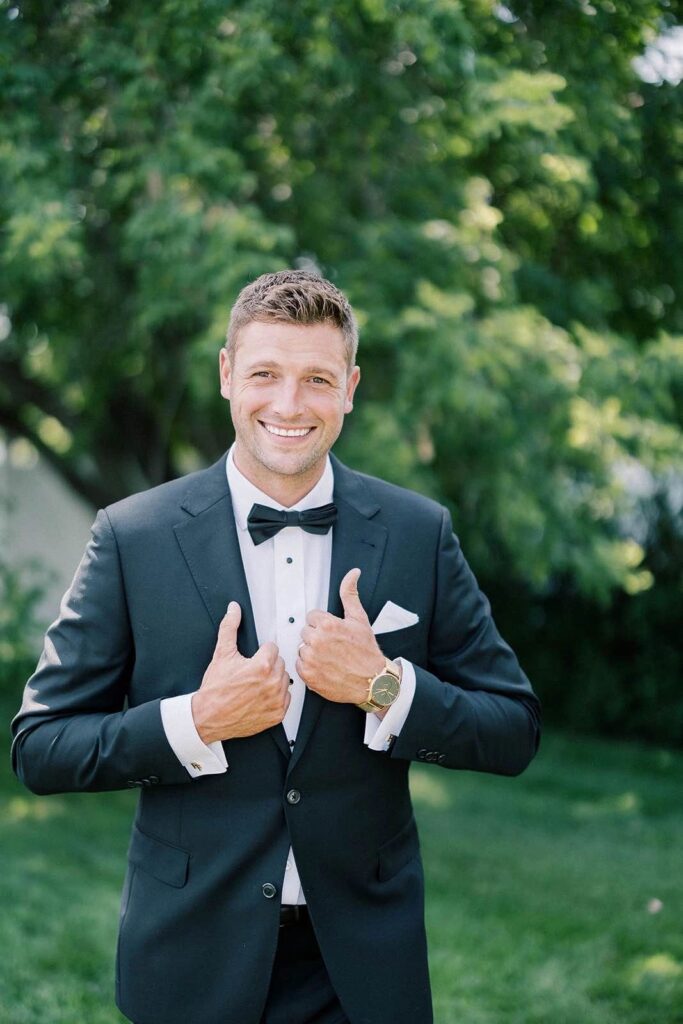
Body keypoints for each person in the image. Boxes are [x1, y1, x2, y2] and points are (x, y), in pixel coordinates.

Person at [12, 270, 541, 1024]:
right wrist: (195, 721)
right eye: (265, 373)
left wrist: (384, 689)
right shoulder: (132, 537)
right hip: (191, 959)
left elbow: (512, 729)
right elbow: (41, 747)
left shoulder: (418, 533)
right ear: (227, 375)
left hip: (359, 965)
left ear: (350, 387)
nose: (288, 405)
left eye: (316, 379)